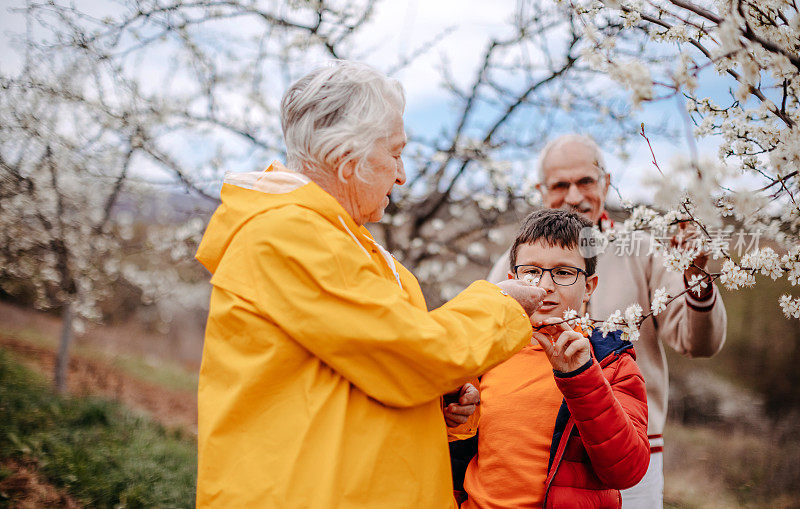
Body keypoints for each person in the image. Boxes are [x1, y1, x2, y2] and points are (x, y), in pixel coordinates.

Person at [194, 60, 546, 508]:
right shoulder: (290, 236)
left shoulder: (333, 240)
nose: (402, 175)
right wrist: (500, 303)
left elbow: (366, 369)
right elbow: (411, 356)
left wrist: (437, 399)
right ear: (347, 162)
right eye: (395, 153)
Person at [487, 134, 727, 508]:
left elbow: (699, 343)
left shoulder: (643, 250)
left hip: (631, 451)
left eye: (585, 181)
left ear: (607, 183)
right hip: (546, 458)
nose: (573, 196)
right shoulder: (513, 264)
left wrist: (696, 277)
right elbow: (486, 344)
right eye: (560, 185)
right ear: (541, 190)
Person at [450, 208, 650, 508]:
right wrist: (451, 415)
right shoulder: (486, 349)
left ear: (589, 288)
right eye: (531, 271)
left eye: (564, 272)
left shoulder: (612, 363)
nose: (545, 285)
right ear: (511, 281)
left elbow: (626, 469)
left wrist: (581, 377)